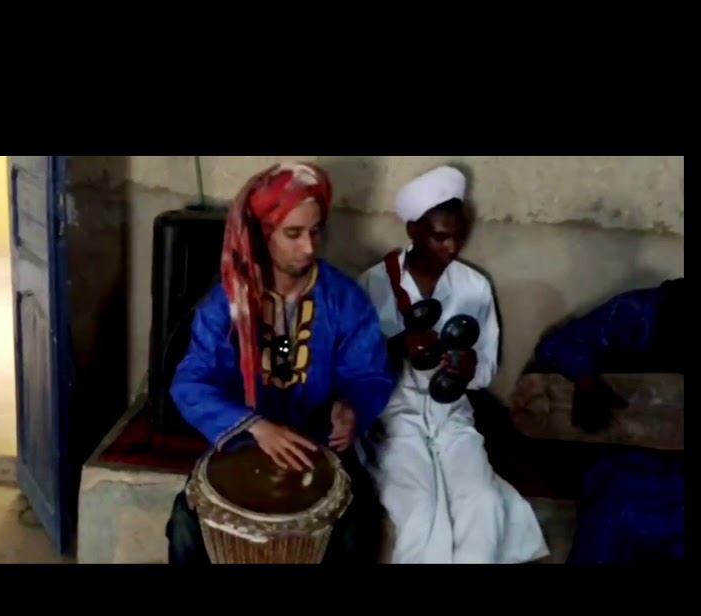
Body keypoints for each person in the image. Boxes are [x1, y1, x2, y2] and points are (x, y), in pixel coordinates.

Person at [165, 162, 395, 564]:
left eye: (315, 230)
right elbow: (190, 383)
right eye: (293, 233)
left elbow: (369, 373)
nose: (309, 247)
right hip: (241, 442)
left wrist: (351, 408)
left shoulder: (343, 300)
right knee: (187, 522)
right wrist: (254, 425)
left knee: (357, 526)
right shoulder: (227, 305)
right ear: (262, 235)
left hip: (318, 444)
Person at [356, 165, 550, 564]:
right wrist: (397, 348)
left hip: (452, 416)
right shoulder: (373, 284)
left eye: (459, 236)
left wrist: (462, 366)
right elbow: (354, 371)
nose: (451, 247)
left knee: (481, 503)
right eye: (440, 236)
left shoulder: (472, 286)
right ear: (412, 231)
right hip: (394, 418)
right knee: (421, 512)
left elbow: (484, 373)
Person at [528, 278, 685, 563]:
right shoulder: (646, 310)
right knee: (613, 515)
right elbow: (561, 344)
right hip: (632, 467)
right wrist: (585, 378)